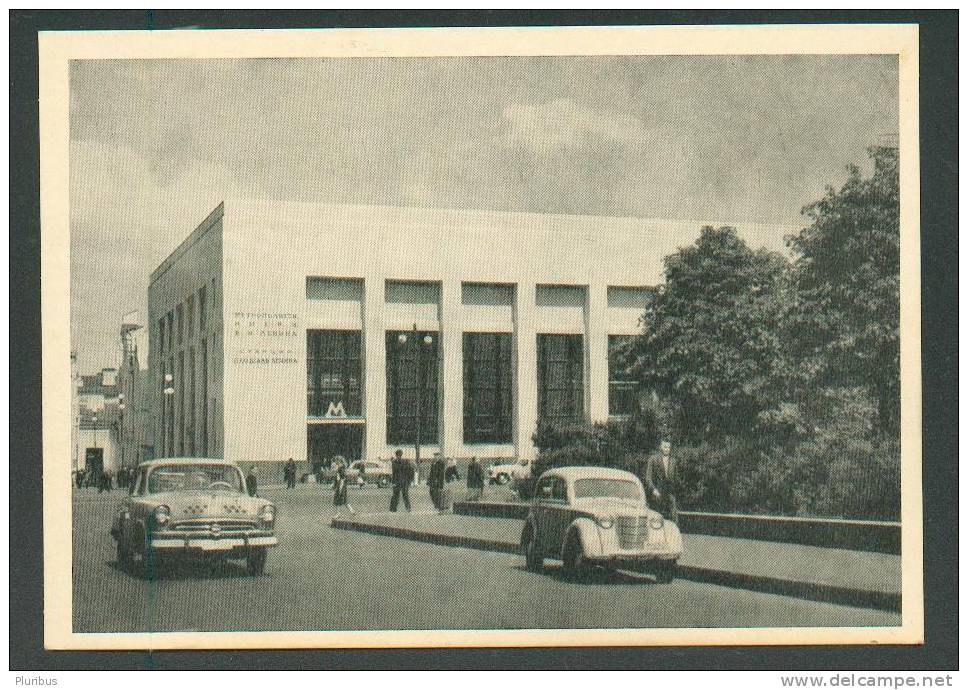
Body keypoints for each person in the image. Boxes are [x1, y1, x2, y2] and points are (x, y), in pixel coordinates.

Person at [642, 439, 679, 523]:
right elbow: (648, 478)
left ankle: (673, 534)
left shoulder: (673, 461)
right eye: (665, 447)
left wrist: (674, 490)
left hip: (670, 493)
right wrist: (653, 489)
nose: (667, 449)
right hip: (657, 493)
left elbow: (676, 478)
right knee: (656, 518)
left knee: (673, 517)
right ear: (660, 447)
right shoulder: (653, 459)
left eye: (669, 447)